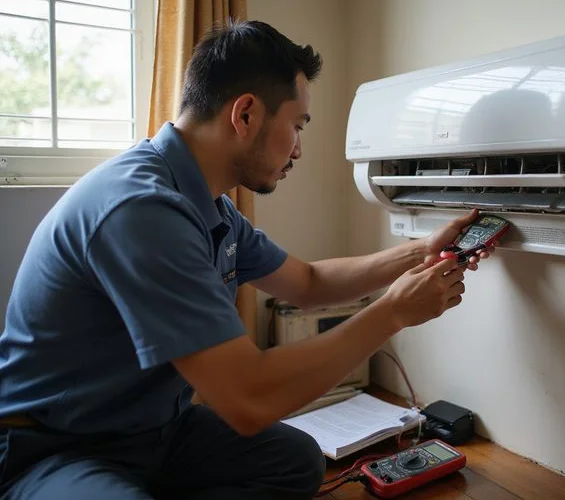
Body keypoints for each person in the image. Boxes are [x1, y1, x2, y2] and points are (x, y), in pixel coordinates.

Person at [0, 20, 494, 500]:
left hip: (155, 430)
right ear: (246, 115)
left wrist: (419, 252)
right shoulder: (142, 210)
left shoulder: (211, 206)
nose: (299, 149)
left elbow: (308, 281)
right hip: (57, 445)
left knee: (296, 462)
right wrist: (393, 312)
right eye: (297, 126)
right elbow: (248, 400)